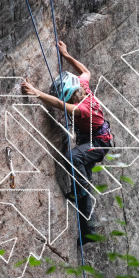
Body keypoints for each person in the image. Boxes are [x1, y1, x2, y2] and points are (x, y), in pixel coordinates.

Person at [21, 41, 112, 244]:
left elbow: (58, 103)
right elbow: (86, 71)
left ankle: (80, 195)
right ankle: (88, 230)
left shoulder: (82, 107)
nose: (69, 102)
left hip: (99, 143)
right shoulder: (83, 87)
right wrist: (66, 55)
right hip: (93, 140)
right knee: (82, 177)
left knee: (74, 158)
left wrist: (35, 91)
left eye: (70, 99)